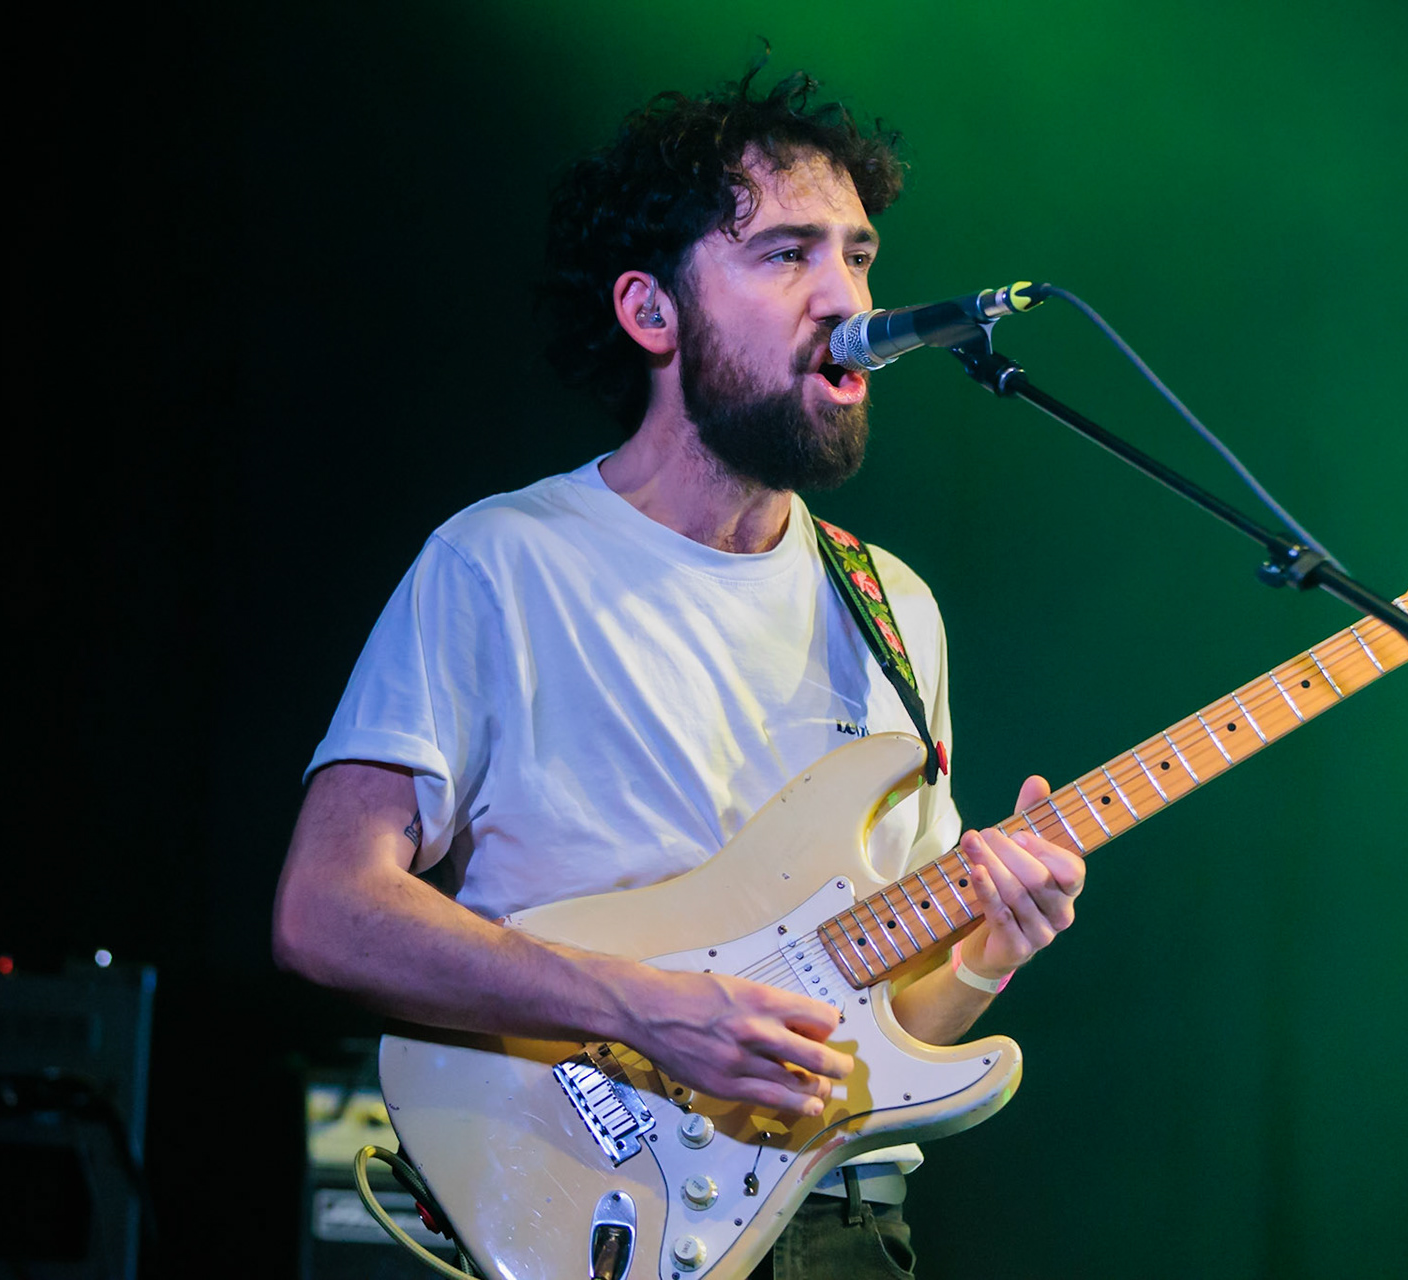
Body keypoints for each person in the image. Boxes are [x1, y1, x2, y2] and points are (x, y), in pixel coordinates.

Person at [272, 66, 1087, 1279]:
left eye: (859, 256)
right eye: (786, 254)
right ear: (653, 313)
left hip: (843, 1227)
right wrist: (642, 1007)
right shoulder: (503, 564)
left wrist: (988, 950)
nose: (847, 297)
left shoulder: (891, 605)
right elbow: (324, 908)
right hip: (582, 1197)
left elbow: (889, 1031)